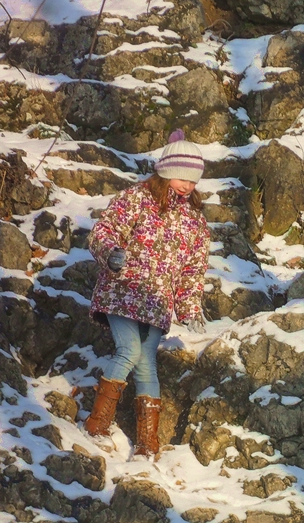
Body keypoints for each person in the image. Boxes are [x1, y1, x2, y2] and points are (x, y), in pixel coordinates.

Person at [84, 129, 210, 457]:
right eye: (182, 177)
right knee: (129, 351)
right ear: (165, 171)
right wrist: (111, 253)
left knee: (146, 363)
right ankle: (96, 425)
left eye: (193, 180)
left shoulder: (195, 221)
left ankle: (146, 443)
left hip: (156, 303)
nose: (187, 185)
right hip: (122, 290)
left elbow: (192, 271)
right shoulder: (137, 199)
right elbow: (104, 230)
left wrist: (189, 306)